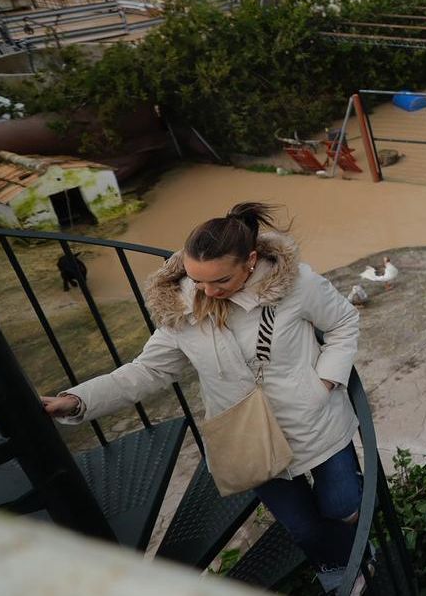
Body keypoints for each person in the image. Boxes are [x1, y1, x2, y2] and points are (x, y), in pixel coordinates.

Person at [41, 203, 367, 594]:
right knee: (304, 528)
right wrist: (76, 401)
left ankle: (358, 553)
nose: (206, 292)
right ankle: (340, 571)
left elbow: (344, 322)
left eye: (219, 281)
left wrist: (325, 383)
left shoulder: (296, 285)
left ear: (249, 261)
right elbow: (147, 370)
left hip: (316, 423)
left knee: (344, 506)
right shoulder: (182, 307)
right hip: (246, 441)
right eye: (197, 280)